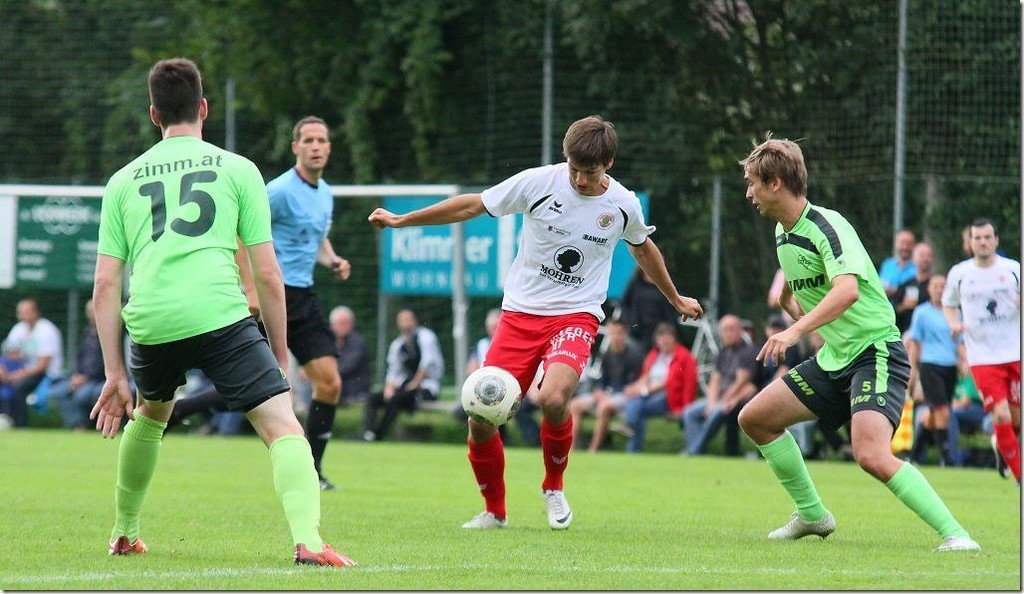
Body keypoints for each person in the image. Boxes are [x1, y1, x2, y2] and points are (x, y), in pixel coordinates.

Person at [369, 115, 703, 530]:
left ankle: (553, 487)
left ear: (609, 164)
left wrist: (675, 298)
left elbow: (643, 248)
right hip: (519, 315)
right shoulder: (538, 183)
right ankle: (494, 511)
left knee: (554, 399)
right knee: (480, 417)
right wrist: (403, 220)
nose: (579, 179)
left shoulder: (622, 205)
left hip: (577, 314)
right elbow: (474, 204)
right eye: (574, 168)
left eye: (590, 172)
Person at [90, 58, 355, 566]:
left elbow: (105, 284)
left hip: (152, 321)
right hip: (220, 314)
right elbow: (268, 275)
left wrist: (113, 373)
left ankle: (124, 532)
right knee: (282, 426)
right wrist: (280, 355)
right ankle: (309, 542)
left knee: (149, 414)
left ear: (153, 114)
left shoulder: (122, 181)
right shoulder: (238, 169)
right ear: (204, 109)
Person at [736, 134, 978, 552]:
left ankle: (957, 535)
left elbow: (846, 290)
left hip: (875, 351)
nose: (748, 193)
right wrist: (787, 300)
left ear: (775, 183)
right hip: (835, 358)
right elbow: (801, 279)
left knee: (870, 455)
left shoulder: (827, 226)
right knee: (755, 419)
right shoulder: (783, 232)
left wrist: (794, 331)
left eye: (753, 183)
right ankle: (812, 514)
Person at [238, 116, 352, 492]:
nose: (316, 146)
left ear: (329, 148)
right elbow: (240, 231)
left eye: (322, 140)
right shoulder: (279, 191)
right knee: (248, 383)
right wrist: (250, 287)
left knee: (330, 383)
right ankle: (175, 413)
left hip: (303, 296)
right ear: (295, 148)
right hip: (272, 293)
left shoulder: (325, 193)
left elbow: (315, 239)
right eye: (308, 140)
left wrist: (332, 260)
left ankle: (312, 471)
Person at [942, 218, 1021, 483]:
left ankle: (1000, 443)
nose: (983, 242)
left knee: (1015, 420)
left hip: (1015, 353)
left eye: (987, 237)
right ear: (970, 242)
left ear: (996, 240)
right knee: (1000, 414)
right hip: (982, 357)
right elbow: (949, 304)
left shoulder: (1013, 269)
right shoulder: (960, 274)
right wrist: (953, 323)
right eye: (977, 238)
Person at [681, 314, 758, 456]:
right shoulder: (723, 352)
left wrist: (721, 401)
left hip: (738, 398)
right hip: (720, 398)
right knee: (689, 413)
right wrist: (711, 402)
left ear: (740, 330)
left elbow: (741, 382)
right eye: (724, 330)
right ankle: (695, 448)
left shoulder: (748, 351)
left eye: (731, 329)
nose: (728, 334)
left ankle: (693, 451)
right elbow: (715, 380)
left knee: (716, 412)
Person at [362, 308, 443, 442]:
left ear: (415, 321)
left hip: (425, 388)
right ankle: (368, 433)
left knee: (396, 399)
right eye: (402, 320)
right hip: (405, 387)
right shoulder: (398, 344)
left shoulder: (426, 337)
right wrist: (389, 388)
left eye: (408, 319)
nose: (406, 323)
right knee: (374, 398)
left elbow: (427, 363)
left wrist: (414, 384)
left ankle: (378, 435)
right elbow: (393, 369)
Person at [569, 318, 645, 452]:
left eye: (618, 333)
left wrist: (607, 396)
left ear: (625, 333)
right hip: (607, 393)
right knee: (575, 405)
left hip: (625, 395)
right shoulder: (606, 354)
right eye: (612, 333)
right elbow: (602, 380)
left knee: (604, 407)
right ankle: (571, 449)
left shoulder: (634, 354)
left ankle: (592, 451)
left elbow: (633, 383)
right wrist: (599, 391)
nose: (615, 336)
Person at [905, 274, 958, 466]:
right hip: (929, 365)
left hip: (950, 365)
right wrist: (912, 371)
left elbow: (960, 340)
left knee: (935, 412)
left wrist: (964, 360)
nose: (939, 290)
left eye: (943, 286)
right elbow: (915, 343)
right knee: (941, 410)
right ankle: (947, 457)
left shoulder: (954, 312)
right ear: (929, 290)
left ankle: (914, 454)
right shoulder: (922, 313)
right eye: (936, 286)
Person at [622, 322, 697, 453]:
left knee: (637, 406)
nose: (664, 341)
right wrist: (634, 388)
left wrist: (685, 408)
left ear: (674, 338)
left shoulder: (684, 357)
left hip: (670, 397)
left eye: (668, 337)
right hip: (648, 394)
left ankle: (629, 430)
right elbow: (646, 376)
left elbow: (679, 384)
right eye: (661, 338)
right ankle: (632, 441)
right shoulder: (654, 354)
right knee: (636, 402)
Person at [0, 298, 64, 427]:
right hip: (24, 371)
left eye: (27, 312)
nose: (23, 315)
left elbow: (43, 365)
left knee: (18, 386)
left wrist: (15, 375)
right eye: (20, 312)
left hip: (47, 374)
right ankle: (5, 417)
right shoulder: (18, 329)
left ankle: (20, 424)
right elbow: (9, 354)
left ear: (36, 312)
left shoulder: (47, 330)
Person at [52, 299, 106, 429]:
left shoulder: (110, 334)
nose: (91, 315)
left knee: (82, 395)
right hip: (80, 378)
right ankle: (77, 424)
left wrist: (86, 378)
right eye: (89, 311)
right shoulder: (86, 333)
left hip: (98, 379)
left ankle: (88, 425)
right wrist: (75, 375)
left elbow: (106, 362)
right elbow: (78, 357)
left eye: (94, 310)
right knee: (58, 392)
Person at [619, 268, 682, 348]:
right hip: (637, 331)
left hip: (659, 334)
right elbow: (624, 304)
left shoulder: (667, 285)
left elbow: (671, 310)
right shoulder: (635, 283)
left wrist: (666, 332)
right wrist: (632, 323)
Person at [329, 306, 370, 404]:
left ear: (352, 324)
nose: (342, 327)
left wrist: (324, 371)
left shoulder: (358, 342)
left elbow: (348, 367)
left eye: (345, 323)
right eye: (339, 323)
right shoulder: (329, 341)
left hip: (354, 388)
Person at [893, 242, 934, 333]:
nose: (925, 259)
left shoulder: (936, 286)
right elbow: (893, 312)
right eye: (921, 255)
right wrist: (904, 306)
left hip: (930, 334)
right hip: (907, 333)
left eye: (928, 256)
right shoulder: (905, 285)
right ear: (913, 259)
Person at [878, 229, 917, 300]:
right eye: (902, 243)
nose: (905, 247)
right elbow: (880, 287)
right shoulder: (887, 264)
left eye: (909, 244)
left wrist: (894, 290)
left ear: (914, 245)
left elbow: (913, 297)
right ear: (896, 244)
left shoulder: (918, 268)